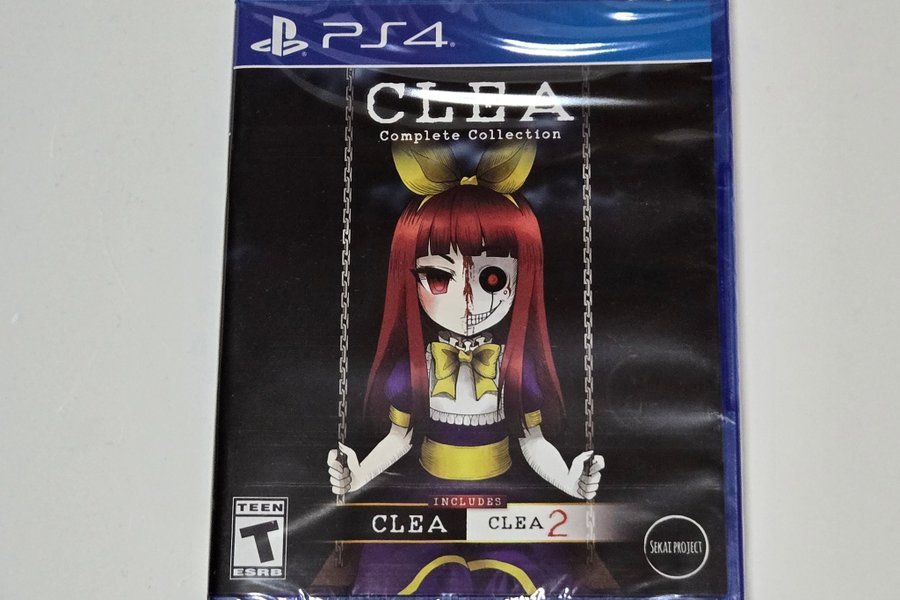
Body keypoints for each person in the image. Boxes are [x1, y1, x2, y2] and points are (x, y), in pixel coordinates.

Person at [326, 140, 603, 596]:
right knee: (397, 568)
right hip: (425, 499)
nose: (468, 300)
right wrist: (357, 478)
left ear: (521, 278)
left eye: (492, 277)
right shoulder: (416, 368)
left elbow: (533, 442)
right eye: (439, 277)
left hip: (505, 498)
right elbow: (399, 438)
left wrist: (569, 481)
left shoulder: (514, 367)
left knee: (529, 572)